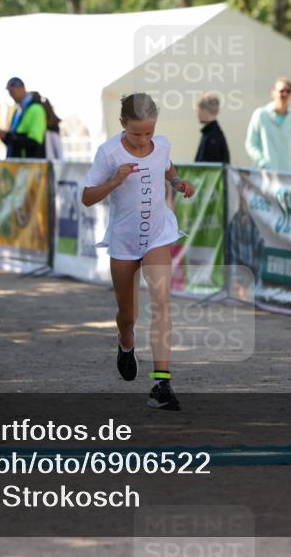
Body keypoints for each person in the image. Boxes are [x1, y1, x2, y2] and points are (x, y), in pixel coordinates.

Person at [81, 93, 195, 411]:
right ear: (122, 124)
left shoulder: (162, 145)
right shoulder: (109, 153)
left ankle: (161, 384)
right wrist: (115, 181)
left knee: (162, 303)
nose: (144, 140)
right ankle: (125, 342)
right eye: (136, 133)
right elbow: (87, 197)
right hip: (124, 242)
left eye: (148, 132)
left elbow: (168, 167)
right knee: (128, 314)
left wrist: (179, 181)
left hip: (159, 235)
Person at [244, 77, 291, 172]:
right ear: (274, 92)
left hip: (287, 175)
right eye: (282, 91)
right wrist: (262, 163)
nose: (285, 94)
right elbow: (251, 143)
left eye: (288, 91)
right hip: (265, 175)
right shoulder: (261, 115)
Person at [0, 77, 47, 159]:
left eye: (12, 92)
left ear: (22, 88)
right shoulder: (18, 111)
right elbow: (13, 142)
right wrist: (4, 136)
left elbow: (35, 142)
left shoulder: (36, 109)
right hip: (17, 165)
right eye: (9, 92)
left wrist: (10, 136)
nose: (11, 95)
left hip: (28, 167)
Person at [194, 93, 230, 164]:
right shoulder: (212, 133)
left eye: (198, 110)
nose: (197, 114)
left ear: (204, 110)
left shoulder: (212, 137)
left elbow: (208, 167)